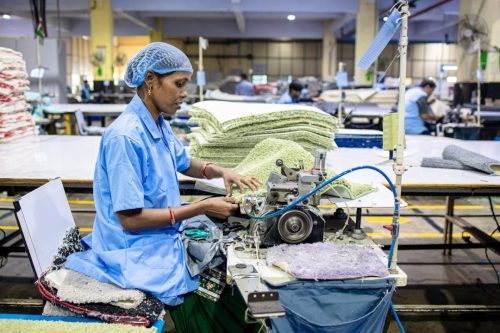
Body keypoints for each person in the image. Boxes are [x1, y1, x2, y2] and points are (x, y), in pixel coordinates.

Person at [64, 42, 261, 332]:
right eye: (179, 84)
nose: (185, 93)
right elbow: (130, 219)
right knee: (208, 282)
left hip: (158, 233)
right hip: (132, 248)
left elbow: (183, 162)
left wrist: (220, 172)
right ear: (150, 80)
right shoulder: (125, 138)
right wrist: (203, 206)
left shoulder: (156, 123)